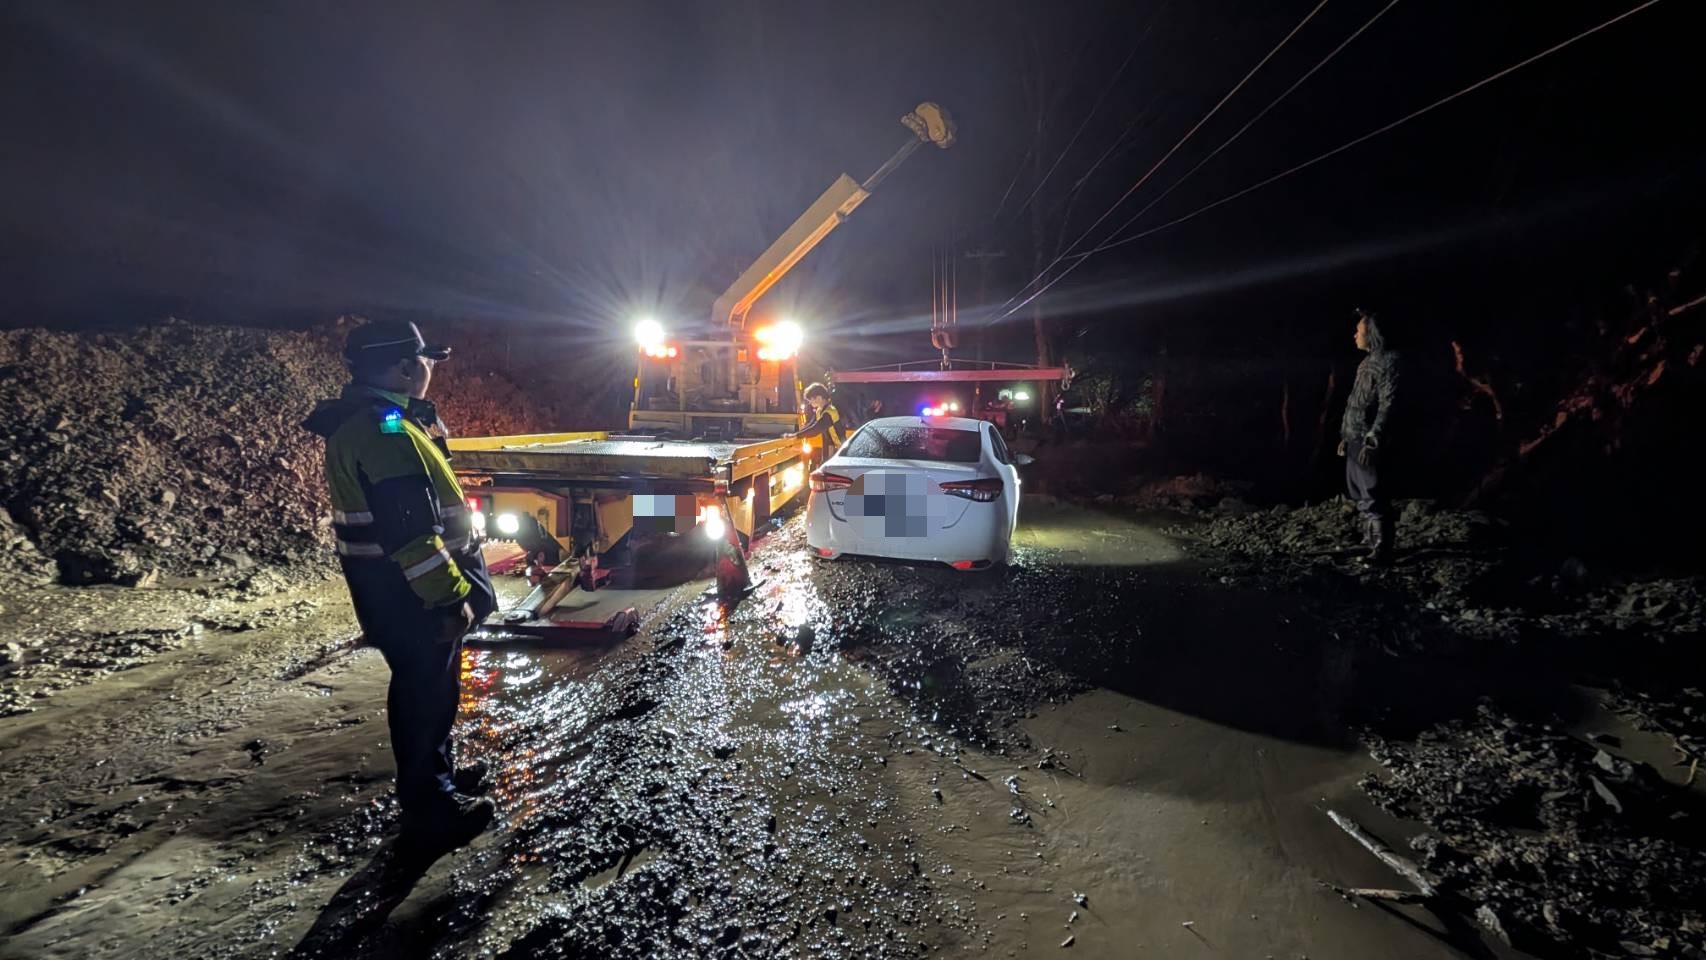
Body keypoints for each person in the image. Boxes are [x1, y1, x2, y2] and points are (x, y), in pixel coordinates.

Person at [302, 320, 498, 849]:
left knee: (434, 687)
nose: (430, 370)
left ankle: (438, 776)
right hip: (411, 594)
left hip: (397, 590)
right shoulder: (382, 430)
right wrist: (448, 598)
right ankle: (429, 810)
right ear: (408, 366)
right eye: (426, 360)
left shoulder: (383, 422)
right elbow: (412, 532)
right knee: (421, 694)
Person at [1338, 308, 1401, 566]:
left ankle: (1382, 547)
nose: (1355, 335)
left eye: (1360, 331)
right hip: (1355, 436)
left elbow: (1388, 404)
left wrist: (1374, 438)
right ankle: (1369, 540)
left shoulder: (1389, 363)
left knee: (1373, 490)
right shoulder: (1367, 362)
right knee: (1359, 489)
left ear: (1373, 334)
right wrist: (1346, 434)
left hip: (1368, 439)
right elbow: (1356, 401)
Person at [790, 382, 846, 450]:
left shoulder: (830, 412)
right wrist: (796, 434)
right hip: (832, 447)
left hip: (842, 449)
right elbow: (811, 425)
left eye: (810, 400)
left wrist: (797, 436)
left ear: (819, 398)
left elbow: (816, 429)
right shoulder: (819, 411)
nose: (810, 403)